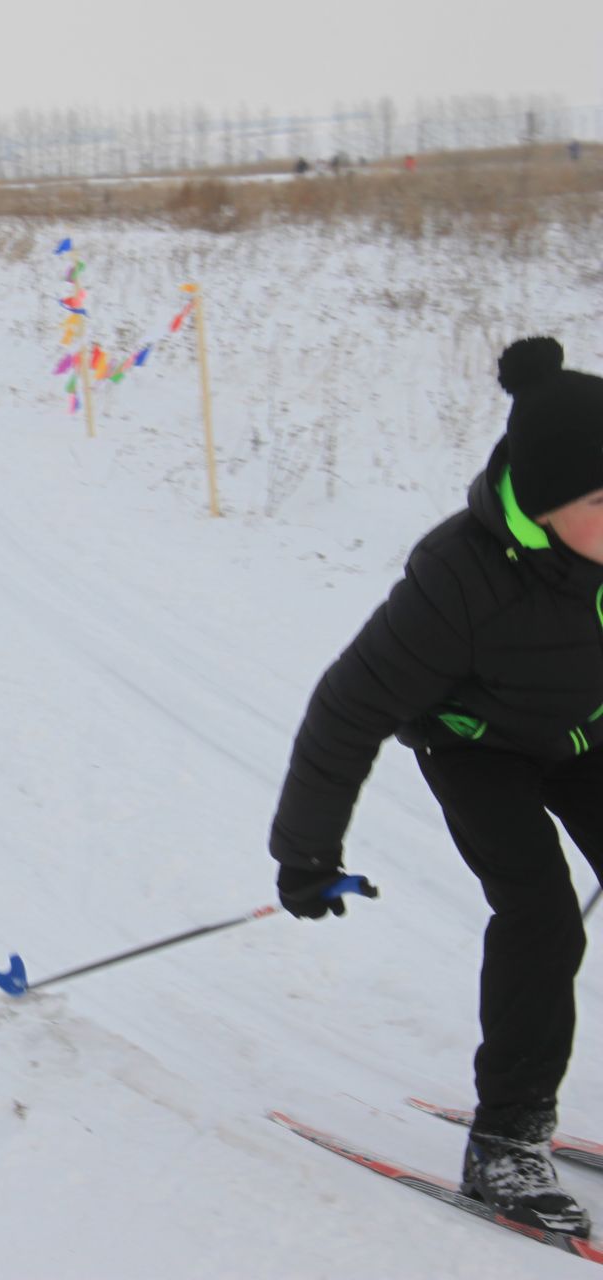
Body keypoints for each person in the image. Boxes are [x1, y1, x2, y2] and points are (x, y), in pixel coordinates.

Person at [268, 336, 603, 1240]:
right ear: (540, 503)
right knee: (542, 918)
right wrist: (305, 854)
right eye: (602, 499)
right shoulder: (458, 579)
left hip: (590, 732)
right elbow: (346, 710)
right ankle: (506, 1139)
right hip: (480, 749)